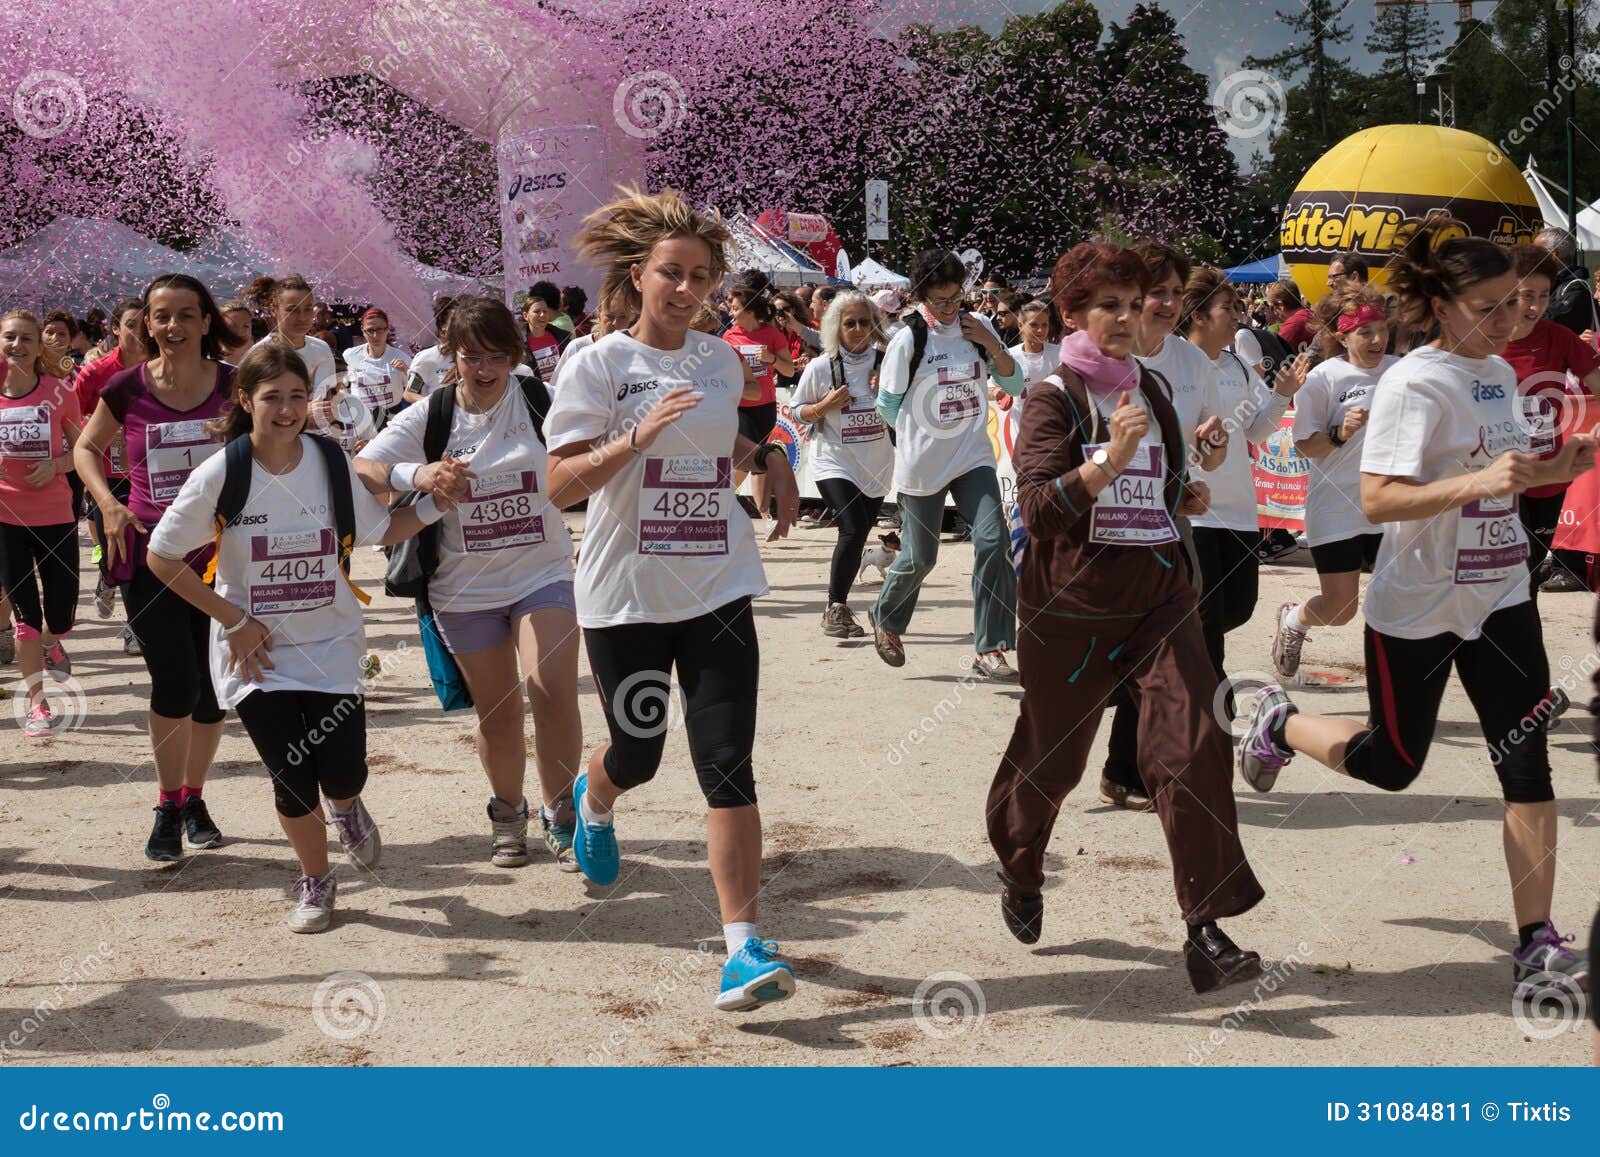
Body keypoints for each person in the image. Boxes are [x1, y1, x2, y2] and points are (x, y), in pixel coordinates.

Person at [1236, 220, 1594, 1004]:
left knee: (1528, 768)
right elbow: (1379, 496)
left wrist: (1555, 468)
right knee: (1392, 765)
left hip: (1501, 595)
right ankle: (1279, 721)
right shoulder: (1412, 383)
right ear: (1438, 303)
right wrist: (1479, 483)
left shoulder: (1498, 373)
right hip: (1417, 607)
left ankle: (1536, 942)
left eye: (1514, 304)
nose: (1508, 322)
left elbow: (1494, 470)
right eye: (1488, 306)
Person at [544, 186, 803, 1012]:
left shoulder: (722, 359)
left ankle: (742, 947)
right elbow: (558, 485)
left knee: (727, 762)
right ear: (639, 275)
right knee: (641, 752)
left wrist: (768, 459)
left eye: (701, 276)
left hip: (717, 583)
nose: (686, 290)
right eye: (671, 274)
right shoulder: (597, 365)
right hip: (625, 592)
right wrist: (633, 438)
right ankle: (597, 794)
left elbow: (718, 438)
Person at [986, 241, 1265, 994]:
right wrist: (1107, 461)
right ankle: (1019, 865)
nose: (1123, 316)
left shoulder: (1155, 392)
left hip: (1159, 600)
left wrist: (1184, 495)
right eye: (1105, 304)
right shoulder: (1053, 397)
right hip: (1071, 609)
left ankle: (1206, 927)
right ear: (1072, 312)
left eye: (1131, 303)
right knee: (1053, 761)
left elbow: (1170, 482)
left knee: (1196, 739)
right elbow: (1041, 509)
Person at [147, 345, 440, 931]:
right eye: (272, 397)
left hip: (331, 645)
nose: (286, 410)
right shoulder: (222, 473)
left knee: (343, 771)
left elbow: (385, 529)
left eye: (297, 397)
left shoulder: (330, 462)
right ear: (245, 400)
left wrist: (437, 503)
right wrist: (233, 618)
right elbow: (162, 556)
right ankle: (316, 877)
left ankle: (348, 805)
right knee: (290, 772)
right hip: (257, 655)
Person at [357, 297, 583, 871]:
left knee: (552, 692)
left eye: (497, 357)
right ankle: (508, 814)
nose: (484, 371)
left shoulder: (536, 398)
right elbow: (362, 465)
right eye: (471, 357)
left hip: (542, 571)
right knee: (498, 711)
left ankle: (563, 814)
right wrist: (420, 474)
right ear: (450, 355)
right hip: (464, 587)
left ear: (514, 355)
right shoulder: (432, 415)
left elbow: (582, 455)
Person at [75, 273, 235, 862]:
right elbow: (85, 448)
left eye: (186, 315)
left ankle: (195, 798)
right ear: (147, 323)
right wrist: (109, 503)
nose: (173, 327)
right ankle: (168, 805)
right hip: (152, 557)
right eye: (161, 316)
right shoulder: (125, 388)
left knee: (213, 691)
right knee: (175, 681)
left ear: (205, 321)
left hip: (225, 558)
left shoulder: (235, 386)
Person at [1099, 243, 1228, 811]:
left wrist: (1208, 455)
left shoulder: (1195, 365)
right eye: (1159, 292)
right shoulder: (1100, 354)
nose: (1170, 303)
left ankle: (1132, 769)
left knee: (1172, 646)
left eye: (1177, 293)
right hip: (1103, 525)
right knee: (1108, 654)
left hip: (1169, 525)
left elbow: (1209, 452)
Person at [868, 249, 1022, 680]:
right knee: (920, 559)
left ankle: (990, 647)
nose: (950, 307)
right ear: (919, 297)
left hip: (973, 457)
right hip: (923, 465)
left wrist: (992, 345)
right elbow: (886, 406)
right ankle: (886, 618)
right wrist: (923, 434)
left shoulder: (980, 329)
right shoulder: (908, 340)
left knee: (994, 542)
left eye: (956, 297)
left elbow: (1014, 382)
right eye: (939, 300)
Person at [1272, 284, 1396, 678]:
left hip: (1391, 504)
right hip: (1337, 507)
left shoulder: (1402, 370)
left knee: (1402, 597)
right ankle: (1295, 619)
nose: (1378, 339)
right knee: (1341, 610)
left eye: (1381, 328)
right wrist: (1340, 433)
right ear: (1342, 336)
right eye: (1366, 332)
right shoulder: (1323, 377)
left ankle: (1396, 679)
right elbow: (1306, 445)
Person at [790, 291, 894, 638]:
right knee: (851, 528)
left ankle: (842, 605)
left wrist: (893, 391)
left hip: (876, 462)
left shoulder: (888, 362)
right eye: (850, 323)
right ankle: (836, 607)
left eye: (865, 322)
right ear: (836, 327)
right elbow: (796, 410)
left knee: (861, 530)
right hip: (833, 459)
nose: (858, 329)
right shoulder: (823, 366)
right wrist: (824, 406)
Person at [0, 310, 82, 738]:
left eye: (26, 339)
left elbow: (84, 448)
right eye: (9, 338)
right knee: (25, 617)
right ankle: (38, 704)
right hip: (5, 518)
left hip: (55, 515)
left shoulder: (58, 391)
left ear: (39, 346)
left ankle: (54, 640)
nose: (17, 346)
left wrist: (57, 464)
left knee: (62, 613)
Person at [1502, 244, 1600, 599]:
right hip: (1496, 479)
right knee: (1507, 576)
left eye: (1543, 296)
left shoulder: (1559, 338)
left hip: (1548, 478)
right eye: (1527, 295)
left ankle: (1513, 650)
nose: (1535, 306)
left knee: (1526, 578)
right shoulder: (1480, 341)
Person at [71, 298, 145, 650]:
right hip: (107, 477)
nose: (139, 331)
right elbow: (69, 417)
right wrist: (100, 428)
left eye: (145, 324)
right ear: (115, 329)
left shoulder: (163, 368)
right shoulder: (97, 372)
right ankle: (105, 579)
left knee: (142, 553)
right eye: (131, 324)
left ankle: (136, 627)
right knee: (115, 554)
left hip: (151, 475)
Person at [722, 272, 795, 522]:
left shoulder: (772, 335)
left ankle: (763, 514)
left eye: (735, 309)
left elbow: (789, 369)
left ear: (750, 311)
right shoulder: (729, 337)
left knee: (759, 459)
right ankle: (719, 496)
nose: (731, 314)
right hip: (739, 405)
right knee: (746, 457)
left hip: (765, 405)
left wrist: (772, 359)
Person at [248, 276, 337, 392]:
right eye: (292, 310)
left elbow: (330, 393)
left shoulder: (322, 348)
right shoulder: (258, 354)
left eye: (308, 309)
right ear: (274, 310)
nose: (302, 318)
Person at [341, 308, 412, 432]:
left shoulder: (402, 358)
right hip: (360, 418)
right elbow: (341, 384)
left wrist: (408, 371)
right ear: (363, 331)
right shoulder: (350, 355)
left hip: (392, 418)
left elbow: (416, 390)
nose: (375, 335)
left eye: (380, 330)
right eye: (370, 330)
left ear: (387, 330)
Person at [406, 297, 457, 400]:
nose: (461, 325)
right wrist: (434, 406)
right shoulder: (426, 358)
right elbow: (410, 393)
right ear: (443, 326)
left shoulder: (477, 355)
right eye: (455, 321)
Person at [522, 281, 569, 382]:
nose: (542, 315)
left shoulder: (562, 337)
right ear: (526, 316)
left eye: (545, 311)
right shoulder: (518, 344)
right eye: (537, 311)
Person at [1268, 280, 1315, 351]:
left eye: (1272, 307)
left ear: (1281, 305)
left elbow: (1276, 354)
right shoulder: (1312, 314)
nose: (1274, 312)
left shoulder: (1293, 324)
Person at [216, 299, 255, 365]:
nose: (239, 332)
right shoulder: (207, 364)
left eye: (245, 326)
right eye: (232, 327)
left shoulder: (263, 361)